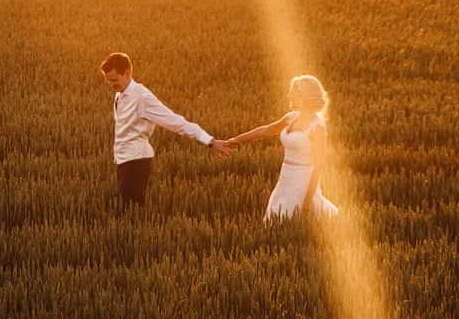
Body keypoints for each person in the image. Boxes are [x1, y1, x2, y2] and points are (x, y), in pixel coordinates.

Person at [99, 52, 228, 208]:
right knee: (127, 208)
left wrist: (209, 141)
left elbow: (175, 122)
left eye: (114, 80)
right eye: (108, 81)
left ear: (127, 73)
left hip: (136, 162)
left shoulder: (142, 97)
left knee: (131, 210)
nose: (112, 85)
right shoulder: (120, 95)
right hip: (124, 160)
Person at [214, 74, 340, 221]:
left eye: (294, 92)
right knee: (277, 218)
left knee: (297, 220)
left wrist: (306, 203)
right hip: (286, 177)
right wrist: (235, 140)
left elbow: (318, 166)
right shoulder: (291, 117)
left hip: (303, 180)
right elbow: (266, 130)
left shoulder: (317, 127)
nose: (290, 95)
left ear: (304, 96)